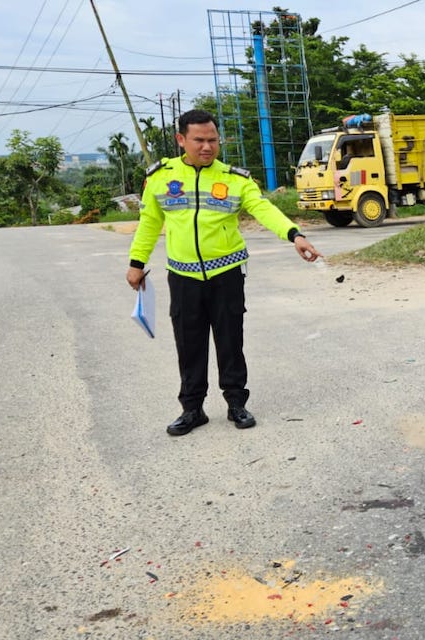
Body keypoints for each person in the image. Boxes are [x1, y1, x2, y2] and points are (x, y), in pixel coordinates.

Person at [126, 109, 323, 436]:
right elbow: (149, 223)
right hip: (183, 275)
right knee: (189, 343)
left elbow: (263, 208)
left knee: (230, 338)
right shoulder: (160, 177)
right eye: (199, 140)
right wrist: (136, 263)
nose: (207, 147)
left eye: (212, 140)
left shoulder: (235, 179)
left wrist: (294, 234)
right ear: (181, 140)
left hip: (227, 273)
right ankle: (192, 410)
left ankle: (236, 403)